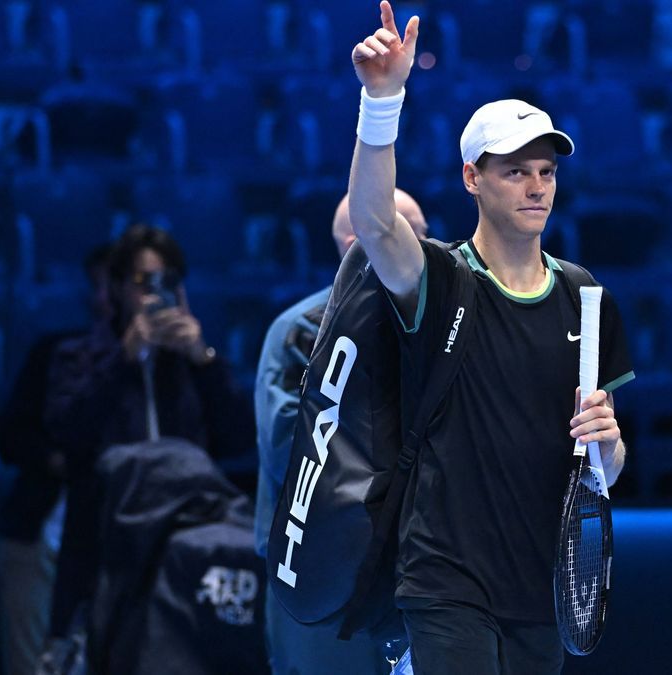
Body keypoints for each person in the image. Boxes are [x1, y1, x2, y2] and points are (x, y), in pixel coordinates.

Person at [345, 3, 634, 672]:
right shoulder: (441, 277)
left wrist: (609, 445)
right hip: (445, 580)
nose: (537, 186)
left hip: (543, 583)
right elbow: (373, 221)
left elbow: (605, 469)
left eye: (546, 171)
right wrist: (381, 100)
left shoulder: (587, 297)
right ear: (473, 178)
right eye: (515, 171)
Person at [43, 223, 254, 641]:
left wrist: (203, 360)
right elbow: (67, 433)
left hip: (184, 548)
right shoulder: (78, 357)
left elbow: (240, 439)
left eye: (167, 282)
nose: (153, 294)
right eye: (143, 282)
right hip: (105, 547)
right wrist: (123, 359)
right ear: (119, 287)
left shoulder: (196, 364)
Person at [253, 189, 426, 674]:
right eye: (414, 234)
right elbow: (289, 449)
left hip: (411, 572)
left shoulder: (436, 331)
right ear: (360, 242)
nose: (427, 249)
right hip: (316, 568)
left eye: (427, 235)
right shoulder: (301, 331)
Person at [0, 244, 111, 675]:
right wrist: (65, 463)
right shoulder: (57, 352)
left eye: (117, 286)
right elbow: (12, 438)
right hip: (41, 531)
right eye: (100, 285)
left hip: (118, 543)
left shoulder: (161, 364)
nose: (107, 298)